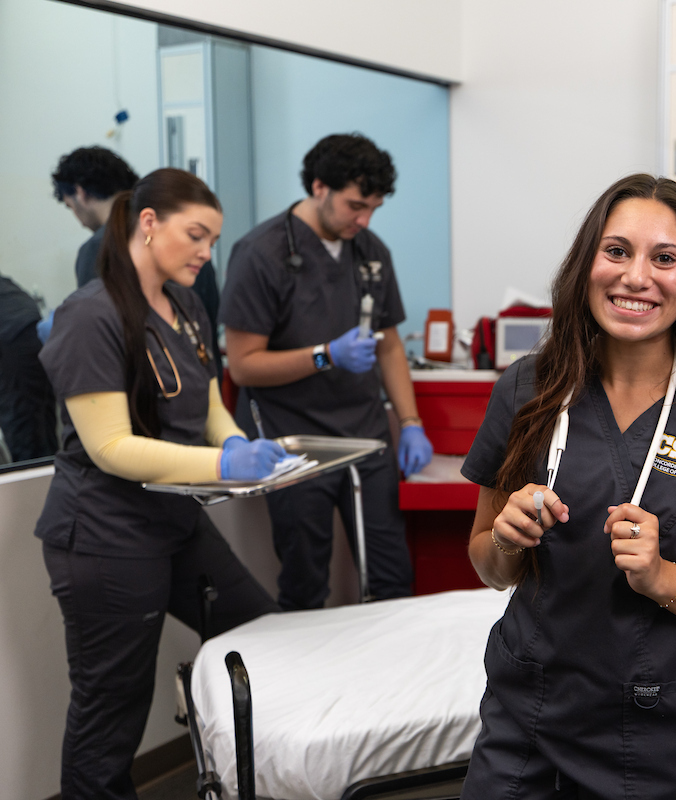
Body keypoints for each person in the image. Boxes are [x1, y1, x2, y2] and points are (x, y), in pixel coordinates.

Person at [459, 174, 676, 799]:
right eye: (617, 251)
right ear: (586, 263)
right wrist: (505, 539)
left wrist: (661, 578)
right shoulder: (527, 389)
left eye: (664, 258)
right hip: (522, 720)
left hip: (655, 735)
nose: (636, 277)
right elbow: (489, 564)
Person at [34, 168, 286, 800]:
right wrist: (225, 468)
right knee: (112, 704)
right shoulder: (90, 315)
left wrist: (230, 438)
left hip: (171, 522)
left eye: (213, 239)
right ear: (149, 224)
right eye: (196, 235)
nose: (207, 252)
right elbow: (111, 448)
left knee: (258, 629)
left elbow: (203, 402)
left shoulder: (188, 306)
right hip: (104, 533)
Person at [221, 133, 433, 609]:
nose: (365, 220)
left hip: (365, 432)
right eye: (356, 206)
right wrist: (326, 355)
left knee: (392, 576)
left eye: (374, 208)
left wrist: (410, 423)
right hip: (294, 441)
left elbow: (390, 346)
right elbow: (244, 365)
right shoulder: (260, 253)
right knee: (305, 581)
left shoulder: (370, 250)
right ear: (319, 187)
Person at [50, 147, 221, 360]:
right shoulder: (182, 241)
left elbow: (101, 336)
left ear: (80, 193)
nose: (205, 253)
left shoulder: (98, 248)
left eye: (69, 206)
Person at [0, 274, 57, 461]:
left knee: (27, 434)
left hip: (12, 336)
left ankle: (39, 487)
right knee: (38, 426)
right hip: (24, 328)